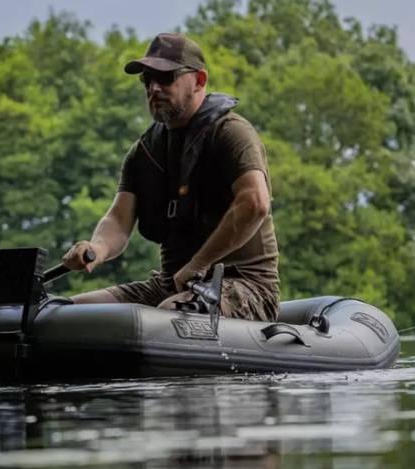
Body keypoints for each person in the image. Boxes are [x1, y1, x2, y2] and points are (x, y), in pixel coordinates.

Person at [62, 32, 279, 321]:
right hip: (171, 284)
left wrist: (197, 265)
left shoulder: (231, 133)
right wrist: (96, 248)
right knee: (68, 314)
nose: (153, 88)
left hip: (244, 288)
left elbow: (255, 203)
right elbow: (118, 219)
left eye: (165, 78)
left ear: (199, 80)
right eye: (146, 80)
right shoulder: (144, 152)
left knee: (167, 319)